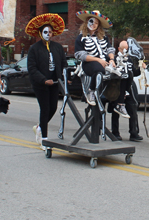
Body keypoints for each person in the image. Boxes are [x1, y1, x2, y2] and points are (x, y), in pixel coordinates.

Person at [74, 10, 129, 117]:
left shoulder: (104, 37)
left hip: (106, 63)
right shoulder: (80, 38)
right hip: (89, 64)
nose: (93, 25)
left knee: (126, 73)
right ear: (86, 22)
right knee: (98, 69)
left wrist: (112, 59)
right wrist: (98, 60)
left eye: (96, 23)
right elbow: (79, 55)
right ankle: (91, 91)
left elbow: (109, 49)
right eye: (91, 21)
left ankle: (120, 102)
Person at [26, 14, 68, 149]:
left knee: (53, 108)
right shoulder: (34, 48)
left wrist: (66, 78)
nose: (48, 34)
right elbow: (32, 68)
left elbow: (63, 63)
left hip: (55, 83)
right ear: (40, 33)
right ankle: (44, 138)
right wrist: (44, 80)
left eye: (50, 32)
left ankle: (39, 127)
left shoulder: (57, 47)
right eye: (45, 32)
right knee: (45, 109)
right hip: (41, 84)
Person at [109, 40, 144, 141]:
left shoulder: (129, 59)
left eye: (127, 49)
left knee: (132, 109)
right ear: (119, 49)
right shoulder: (115, 59)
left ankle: (134, 133)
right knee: (116, 110)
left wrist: (141, 69)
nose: (126, 50)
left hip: (129, 88)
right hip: (118, 88)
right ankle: (115, 133)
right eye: (124, 48)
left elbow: (134, 72)